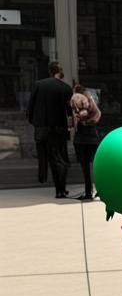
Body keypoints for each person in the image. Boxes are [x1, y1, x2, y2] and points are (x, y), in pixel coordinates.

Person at [26, 62, 72, 198]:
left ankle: (52, 184)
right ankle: (61, 189)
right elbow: (69, 113)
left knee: (48, 158)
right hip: (59, 128)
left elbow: (30, 107)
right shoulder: (66, 88)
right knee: (61, 158)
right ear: (60, 71)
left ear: (49, 71)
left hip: (42, 128)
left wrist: (36, 123)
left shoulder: (39, 85)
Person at [71, 83, 103, 200]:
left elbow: (76, 120)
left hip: (81, 139)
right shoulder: (92, 103)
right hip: (93, 138)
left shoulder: (77, 101)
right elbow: (98, 115)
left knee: (85, 168)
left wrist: (80, 120)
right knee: (96, 167)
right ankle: (100, 190)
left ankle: (88, 192)